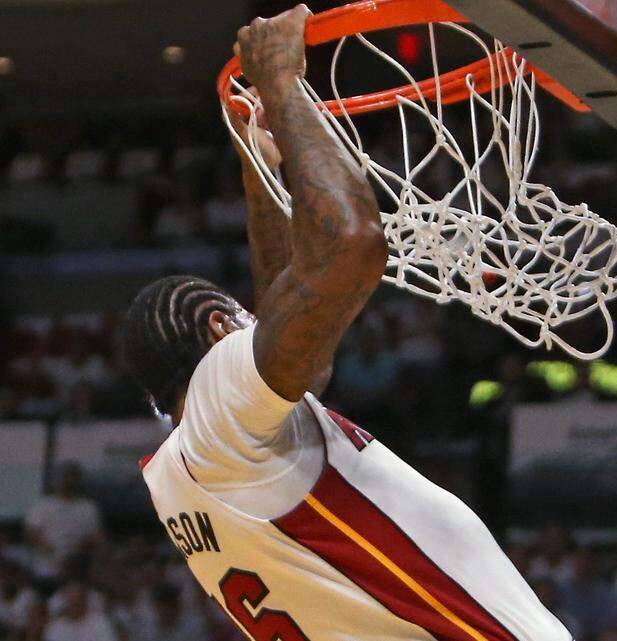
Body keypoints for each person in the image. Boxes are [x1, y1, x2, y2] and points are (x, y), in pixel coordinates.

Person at [124, 6, 569, 640]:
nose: (266, 319)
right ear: (222, 332)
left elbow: (288, 318)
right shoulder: (222, 409)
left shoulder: (184, 470)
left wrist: (261, 168)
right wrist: (280, 81)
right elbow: (351, 246)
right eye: (245, 321)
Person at [23, 462, 102, 585]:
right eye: (66, 477)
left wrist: (77, 551)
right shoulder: (44, 505)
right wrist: (48, 548)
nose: (70, 481)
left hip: (76, 573)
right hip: (46, 571)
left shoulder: (88, 507)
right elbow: (30, 532)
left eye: (73, 477)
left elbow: (96, 536)